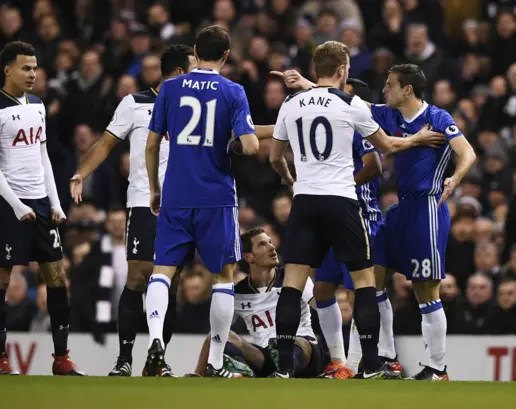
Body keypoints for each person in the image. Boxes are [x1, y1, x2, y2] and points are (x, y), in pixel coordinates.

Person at [276, 63, 476, 380]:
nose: (384, 89)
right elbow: (343, 99)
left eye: (390, 84)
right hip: (398, 211)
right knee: (373, 280)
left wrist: (455, 177)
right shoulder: (388, 115)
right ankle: (384, 356)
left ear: (407, 89)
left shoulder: (437, 118)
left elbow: (467, 153)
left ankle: (438, 367)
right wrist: (307, 83)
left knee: (426, 290)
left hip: (426, 208)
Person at [69, 44, 196, 377]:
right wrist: (82, 172)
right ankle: (124, 357)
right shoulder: (134, 104)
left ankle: (158, 358)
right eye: (195, 69)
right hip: (143, 201)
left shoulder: (195, 105)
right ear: (180, 72)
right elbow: (106, 143)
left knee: (171, 281)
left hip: (182, 205)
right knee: (139, 275)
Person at [144, 25, 259, 378]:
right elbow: (252, 146)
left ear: (196, 50)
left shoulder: (171, 87)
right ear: (226, 55)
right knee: (224, 276)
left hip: (177, 193)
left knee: (162, 272)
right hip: (216, 197)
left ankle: (155, 342)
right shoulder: (234, 91)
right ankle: (215, 361)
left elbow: (151, 144)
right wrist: (233, 143)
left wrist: (154, 189)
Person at [0, 41, 83, 376]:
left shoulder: (38, 105)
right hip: (7, 204)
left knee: (56, 274)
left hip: (39, 201)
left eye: (34, 68)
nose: (32, 74)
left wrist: (55, 202)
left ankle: (62, 357)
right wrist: (16, 204)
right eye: (25, 67)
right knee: (0, 275)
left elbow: (43, 157)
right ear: (6, 69)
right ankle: (0, 359)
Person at [313, 78, 400, 379]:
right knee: (322, 289)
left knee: (360, 291)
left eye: (342, 94)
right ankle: (337, 360)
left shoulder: (361, 127)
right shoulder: (330, 128)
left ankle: (352, 365)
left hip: (360, 217)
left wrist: (342, 185)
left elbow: (373, 166)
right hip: (328, 219)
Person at [192, 228, 327, 378]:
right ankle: (203, 373)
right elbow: (218, 328)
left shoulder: (293, 277)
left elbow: (321, 307)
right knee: (217, 335)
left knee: (296, 342)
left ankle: (284, 370)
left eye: (270, 242)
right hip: (265, 357)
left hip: (303, 351)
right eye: (263, 244)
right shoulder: (238, 293)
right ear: (249, 257)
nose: (272, 247)